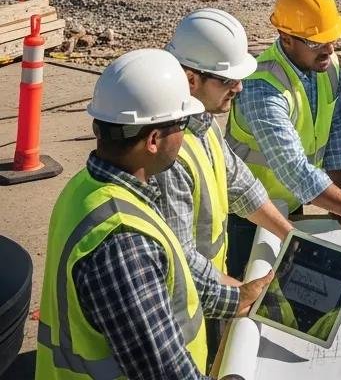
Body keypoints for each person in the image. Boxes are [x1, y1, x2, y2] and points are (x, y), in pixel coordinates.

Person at [35, 49, 273, 380]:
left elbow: (171, 284)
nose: (187, 132)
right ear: (153, 139)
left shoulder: (87, 188)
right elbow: (163, 371)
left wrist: (236, 299)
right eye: (182, 123)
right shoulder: (122, 243)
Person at [227, 0, 341, 276]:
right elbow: (294, 171)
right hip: (247, 217)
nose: (329, 50)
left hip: (290, 204)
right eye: (317, 42)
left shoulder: (327, 66)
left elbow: (334, 135)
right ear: (286, 37)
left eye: (332, 39)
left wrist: (339, 198)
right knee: (248, 300)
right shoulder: (262, 88)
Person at [158, 9, 294, 293]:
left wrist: (292, 238)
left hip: (211, 286)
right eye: (227, 80)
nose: (239, 87)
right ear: (191, 79)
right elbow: (183, 259)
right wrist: (242, 293)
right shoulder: (167, 154)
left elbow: (242, 189)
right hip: (187, 300)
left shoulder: (204, 123)